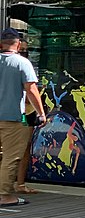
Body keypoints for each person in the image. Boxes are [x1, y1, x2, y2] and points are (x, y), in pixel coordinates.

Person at [0, 29, 47, 207]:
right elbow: (32, 90)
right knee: (11, 158)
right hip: (12, 118)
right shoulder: (22, 63)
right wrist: (41, 113)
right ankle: (4, 195)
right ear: (18, 44)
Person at [14, 39, 41, 195]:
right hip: (14, 111)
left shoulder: (27, 65)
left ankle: (20, 183)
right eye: (21, 49)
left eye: (26, 50)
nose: (24, 52)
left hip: (27, 112)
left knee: (25, 148)